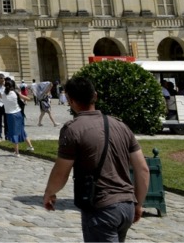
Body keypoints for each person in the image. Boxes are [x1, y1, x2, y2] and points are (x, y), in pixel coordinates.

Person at [43, 76, 150, 242]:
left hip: (102, 207)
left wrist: (50, 192)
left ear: (70, 101)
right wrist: (139, 204)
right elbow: (142, 169)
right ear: (95, 96)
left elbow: (61, 171)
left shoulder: (73, 129)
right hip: (126, 205)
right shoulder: (120, 126)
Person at [3, 80, 33, 156]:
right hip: (18, 113)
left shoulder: (3, 94)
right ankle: (30, 146)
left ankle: (17, 152)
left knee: (14, 133)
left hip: (10, 115)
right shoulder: (15, 93)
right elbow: (28, 99)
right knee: (21, 130)